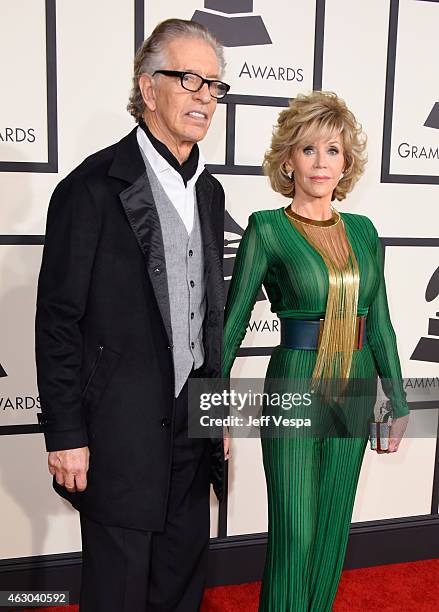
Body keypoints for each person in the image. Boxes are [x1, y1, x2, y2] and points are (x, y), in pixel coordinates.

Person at [35, 18, 230, 612]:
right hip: (117, 432)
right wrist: (66, 435)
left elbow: (208, 315)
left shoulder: (211, 191)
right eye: (190, 79)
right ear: (149, 89)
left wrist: (217, 408)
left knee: (180, 585)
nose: (205, 97)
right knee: (117, 592)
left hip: (192, 428)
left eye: (215, 86)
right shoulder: (90, 189)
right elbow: (58, 320)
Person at [222, 91, 409, 611]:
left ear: (346, 161)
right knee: (295, 534)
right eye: (308, 150)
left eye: (333, 150)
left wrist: (397, 398)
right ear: (288, 160)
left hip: (354, 385)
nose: (321, 163)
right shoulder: (267, 228)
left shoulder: (365, 232)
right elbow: (233, 323)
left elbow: (382, 324)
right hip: (295, 384)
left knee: (331, 535)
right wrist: (212, 410)